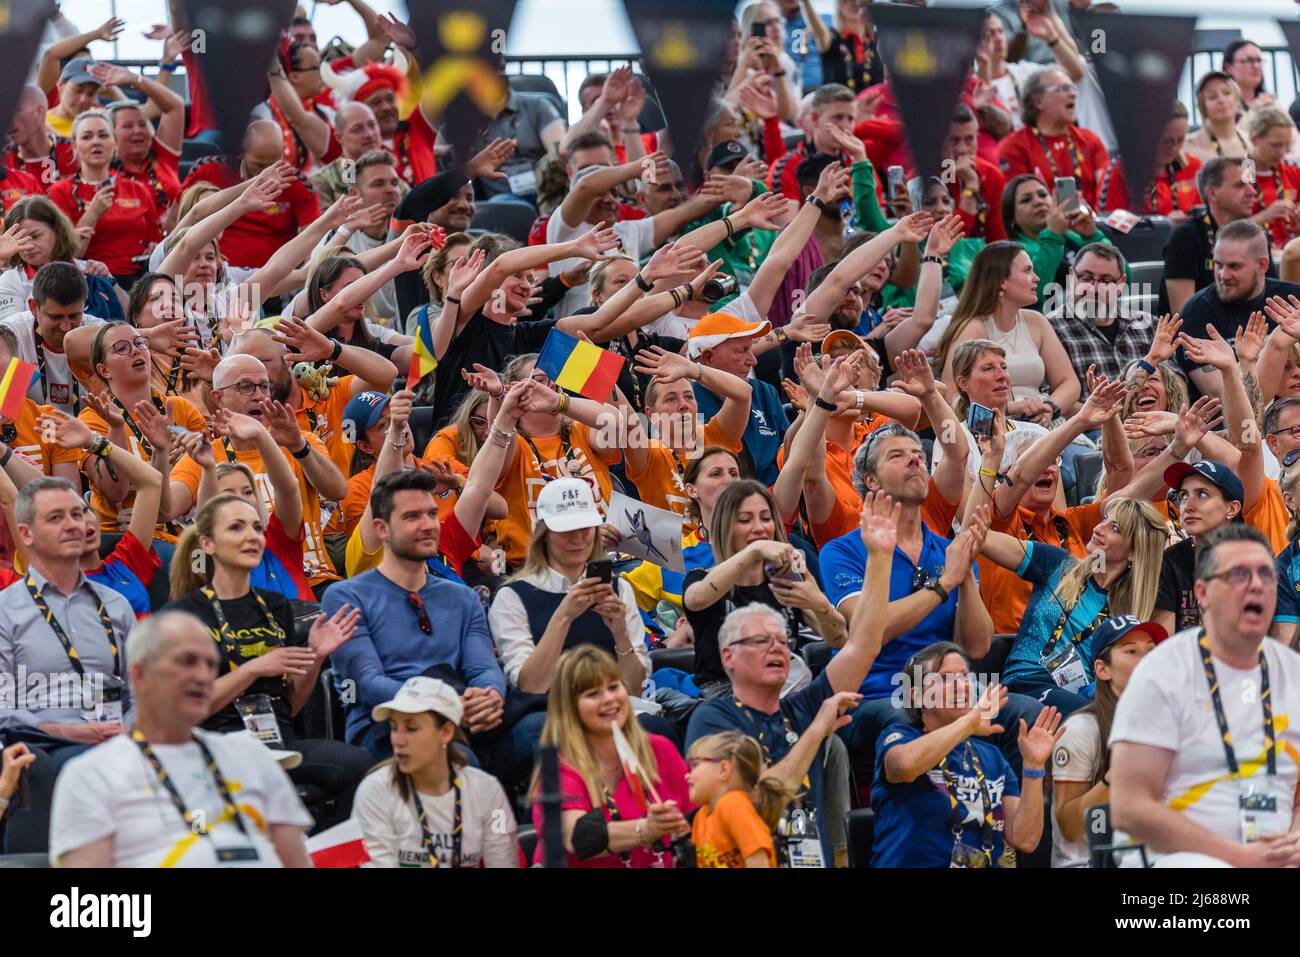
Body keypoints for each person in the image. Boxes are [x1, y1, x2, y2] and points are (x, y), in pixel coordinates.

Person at [685, 492, 893, 867]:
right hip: (752, 857)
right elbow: (754, 801)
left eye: (782, 640)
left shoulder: (803, 705)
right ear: (728, 654)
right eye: (762, 641)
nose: (778, 649)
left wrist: (879, 559)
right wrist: (816, 730)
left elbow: (861, 644)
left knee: (836, 748)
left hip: (811, 854)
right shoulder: (713, 721)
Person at [49, 612, 314, 867]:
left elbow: (297, 862)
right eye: (187, 661)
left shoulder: (250, 754)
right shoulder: (93, 775)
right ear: (140, 675)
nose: (203, 676)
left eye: (210, 664)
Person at [163, 492, 372, 814]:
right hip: (218, 743)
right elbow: (187, 709)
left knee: (361, 766)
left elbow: (290, 705)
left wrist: (315, 656)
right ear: (207, 543)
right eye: (236, 528)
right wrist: (253, 668)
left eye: (257, 528)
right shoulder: (186, 614)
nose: (251, 536)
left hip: (277, 740)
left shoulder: (275, 606)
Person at [1110, 524, 1300, 867]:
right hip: (1177, 858)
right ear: (1203, 593)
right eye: (1239, 575)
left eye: (1266, 575)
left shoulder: (1294, 675)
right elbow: (1129, 808)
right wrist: (1239, 857)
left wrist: (1293, 845)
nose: (1256, 585)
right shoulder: (1162, 672)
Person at [322, 469, 506, 758]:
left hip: (463, 719)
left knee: (540, 730)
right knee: (450, 754)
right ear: (382, 529)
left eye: (432, 514)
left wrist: (490, 695)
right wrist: (446, 704)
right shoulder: (346, 597)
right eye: (412, 517)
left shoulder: (462, 597)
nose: (428, 525)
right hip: (386, 726)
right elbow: (367, 683)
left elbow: (482, 668)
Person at [869, 641, 1063, 868]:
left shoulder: (991, 757)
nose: (959, 686)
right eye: (945, 678)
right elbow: (903, 765)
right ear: (918, 696)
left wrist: (1034, 766)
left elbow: (1025, 839)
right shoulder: (900, 737)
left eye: (964, 677)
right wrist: (970, 722)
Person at [169, 354, 347, 592]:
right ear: (218, 398)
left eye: (264, 386)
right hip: (245, 585)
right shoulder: (205, 455)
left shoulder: (301, 440)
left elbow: (337, 491)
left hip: (314, 581)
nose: (259, 395)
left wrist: (298, 447)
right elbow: (166, 509)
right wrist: (159, 455)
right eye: (245, 387)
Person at [976, 495, 1169, 714]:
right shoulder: (1059, 565)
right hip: (1024, 682)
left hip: (1079, 695)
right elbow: (979, 537)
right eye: (1104, 519)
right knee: (1093, 718)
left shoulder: (1130, 613)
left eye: (1114, 528)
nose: (1098, 528)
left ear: (1134, 552)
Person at [0, 477, 136, 757]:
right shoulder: (6, 610)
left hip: (122, 743)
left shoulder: (116, 605)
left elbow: (142, 691)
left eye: (77, 514)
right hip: (46, 747)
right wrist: (66, 731)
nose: (74, 524)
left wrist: (128, 731)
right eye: (56, 518)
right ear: (26, 534)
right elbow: (3, 708)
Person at [528, 645, 691, 868]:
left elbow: (698, 817)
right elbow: (576, 837)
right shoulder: (557, 769)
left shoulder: (660, 749)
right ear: (569, 708)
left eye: (614, 687)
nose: (609, 699)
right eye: (593, 693)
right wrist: (646, 829)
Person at [683, 479, 846, 697]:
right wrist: (755, 550)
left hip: (787, 687)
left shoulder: (785, 580)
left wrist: (819, 603)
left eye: (766, 518)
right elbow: (697, 599)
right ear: (725, 527)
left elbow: (839, 638)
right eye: (744, 520)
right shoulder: (702, 578)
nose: (759, 528)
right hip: (726, 697)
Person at [352, 676, 520, 868]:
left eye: (411, 728)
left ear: (446, 732)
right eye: (393, 727)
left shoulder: (488, 791)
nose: (397, 740)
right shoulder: (375, 791)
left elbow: (503, 861)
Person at [1051, 615, 1162, 868]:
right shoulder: (1080, 729)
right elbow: (1069, 827)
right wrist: (1118, 774)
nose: (1147, 660)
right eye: (1132, 651)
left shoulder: (1166, 725)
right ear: (1103, 669)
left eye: (1151, 651)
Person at [935, 239, 1080, 420]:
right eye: (1027, 270)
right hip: (997, 429)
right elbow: (951, 397)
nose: (1037, 278)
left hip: (1044, 423)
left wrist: (1050, 408)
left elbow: (1069, 382)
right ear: (1002, 282)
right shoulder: (972, 329)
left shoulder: (1037, 321)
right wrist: (1010, 407)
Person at [1177, 220, 1300, 399]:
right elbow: (1223, 395)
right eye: (1218, 264)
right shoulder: (1197, 313)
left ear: (1262, 265)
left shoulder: (1292, 299)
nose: (1223, 275)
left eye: (1234, 266)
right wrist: (1274, 347)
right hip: (1233, 423)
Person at [180, 121, 321, 270]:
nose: (267, 174)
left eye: (273, 164)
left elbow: (312, 238)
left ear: (283, 152)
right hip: (214, 274)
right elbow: (179, 221)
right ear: (241, 152)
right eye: (258, 166)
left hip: (274, 282)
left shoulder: (298, 184)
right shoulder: (209, 171)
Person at [47, 110, 160, 285]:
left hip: (138, 279)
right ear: (74, 146)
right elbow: (65, 255)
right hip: (86, 280)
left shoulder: (137, 189)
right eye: (87, 137)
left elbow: (155, 239)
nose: (96, 142)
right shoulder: (60, 191)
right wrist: (93, 213)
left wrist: (154, 247)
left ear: (115, 144)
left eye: (103, 135)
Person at [1048, 243, 1156, 403]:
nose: (1094, 288)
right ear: (1071, 276)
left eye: (1106, 281)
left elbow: (1174, 383)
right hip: (1086, 426)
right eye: (1086, 277)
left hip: (1151, 422)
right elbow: (1056, 402)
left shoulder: (1148, 324)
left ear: (1121, 284)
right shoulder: (1049, 328)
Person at [996, 67, 1110, 212]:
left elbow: (1105, 192)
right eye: (1063, 88)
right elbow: (1018, 207)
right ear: (1038, 102)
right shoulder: (1013, 146)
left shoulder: (1090, 140)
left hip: (1092, 226)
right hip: (1043, 230)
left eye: (1073, 88)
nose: (1073, 94)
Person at [1153, 461, 1245, 636]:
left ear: (1232, 509)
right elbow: (1165, 646)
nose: (1188, 506)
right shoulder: (1170, 561)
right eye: (1183, 496)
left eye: (1202, 494)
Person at [1161, 157, 1261, 317]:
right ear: (1212, 193)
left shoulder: (1254, 236)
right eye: (1240, 185)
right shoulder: (1185, 238)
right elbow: (1184, 317)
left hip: (1250, 333)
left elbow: (1270, 297)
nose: (1252, 192)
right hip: (1200, 335)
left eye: (1252, 185)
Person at [2, 261, 95, 416]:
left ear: (84, 305)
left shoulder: (98, 332)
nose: (66, 327)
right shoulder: (14, 334)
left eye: (74, 316)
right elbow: (6, 410)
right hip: (33, 431)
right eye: (55, 317)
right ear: (33, 307)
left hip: (88, 431)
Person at [687, 730, 791, 868]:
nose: (687, 776)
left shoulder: (733, 805)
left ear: (723, 769)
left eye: (695, 765)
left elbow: (758, 860)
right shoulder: (701, 817)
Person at [1100, 100, 1202, 222]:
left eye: (1180, 140)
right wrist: (1161, 224)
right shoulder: (1120, 170)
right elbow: (1109, 222)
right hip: (1141, 240)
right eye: (1166, 141)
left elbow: (1204, 216)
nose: (1174, 147)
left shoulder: (1192, 166)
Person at [1245, 109, 1300, 249]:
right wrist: (1264, 216)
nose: (1282, 152)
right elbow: (1225, 231)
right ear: (1254, 139)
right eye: (1276, 145)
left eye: (1286, 145)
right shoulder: (1241, 174)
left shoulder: (1293, 173)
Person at [1184, 72, 1249, 164]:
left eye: (1227, 93)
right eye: (1212, 97)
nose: (1221, 100)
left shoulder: (1251, 141)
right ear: (1203, 106)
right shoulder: (1188, 146)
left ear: (1236, 98)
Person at [1222, 39, 1274, 115]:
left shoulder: (1270, 103)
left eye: (1259, 61)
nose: (1256, 66)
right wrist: (1254, 111)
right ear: (1229, 67)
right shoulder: (1222, 104)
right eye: (1248, 60)